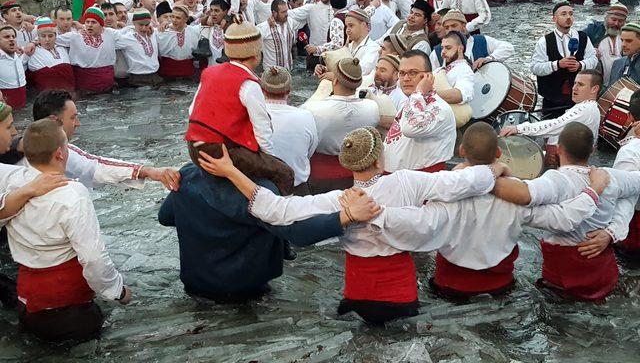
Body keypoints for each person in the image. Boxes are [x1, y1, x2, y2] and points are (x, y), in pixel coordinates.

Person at [196, 125, 515, 323]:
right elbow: (459, 183)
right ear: (379, 159)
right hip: (398, 295)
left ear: (346, 163)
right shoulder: (407, 182)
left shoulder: (339, 200)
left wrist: (231, 172)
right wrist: (494, 169)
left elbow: (276, 209)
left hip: (356, 294)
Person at [358, 122, 607, 299]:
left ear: (461, 151)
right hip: (499, 289)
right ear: (499, 154)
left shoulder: (441, 190)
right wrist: (593, 191)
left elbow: (409, 223)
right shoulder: (517, 197)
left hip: (447, 286)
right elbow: (563, 219)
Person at [157, 151, 347, 303]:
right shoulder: (259, 190)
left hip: (196, 285)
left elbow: (165, 217)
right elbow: (296, 233)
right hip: (247, 290)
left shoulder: (187, 175)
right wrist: (345, 217)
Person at [3, 119, 131, 342]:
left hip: (28, 307)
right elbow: (93, 258)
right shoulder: (73, 194)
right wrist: (118, 291)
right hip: (71, 310)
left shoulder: (11, 182)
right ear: (60, 154)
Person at [493, 122, 640, 301]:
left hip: (563, 278)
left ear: (558, 149)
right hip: (603, 272)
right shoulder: (609, 176)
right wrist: (613, 231)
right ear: (593, 150)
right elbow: (636, 184)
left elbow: (525, 194)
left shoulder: (557, 180)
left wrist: (487, 173)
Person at [185, 16, 294, 196]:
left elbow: (192, 111)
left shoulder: (209, 73)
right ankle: (283, 219)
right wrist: (270, 161)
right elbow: (262, 129)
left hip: (194, 148)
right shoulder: (249, 84)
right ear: (257, 53)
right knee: (285, 174)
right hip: (219, 151)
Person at [31, 89, 180, 190]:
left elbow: (97, 166)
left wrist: (147, 171)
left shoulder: (66, 150)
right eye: (73, 117)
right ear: (54, 120)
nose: (78, 123)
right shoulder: (15, 161)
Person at [302, 57, 379, 193]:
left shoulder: (312, 109)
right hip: (359, 172)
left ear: (335, 80)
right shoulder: (372, 107)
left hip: (322, 173)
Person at [501, 70, 602, 167]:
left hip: (562, 163)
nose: (574, 88)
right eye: (575, 83)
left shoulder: (586, 109)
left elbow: (556, 125)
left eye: (580, 84)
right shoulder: (588, 107)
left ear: (594, 89)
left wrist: (519, 128)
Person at [384, 50, 456, 173]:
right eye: (402, 73)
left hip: (417, 184)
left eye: (413, 73)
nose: (406, 78)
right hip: (394, 180)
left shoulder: (440, 109)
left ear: (429, 76)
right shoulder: (412, 101)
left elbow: (410, 128)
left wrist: (419, 92)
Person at [531, 2, 597, 118]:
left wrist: (580, 65)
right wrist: (557, 64)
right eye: (564, 14)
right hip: (552, 99)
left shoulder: (583, 37)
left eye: (571, 14)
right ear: (554, 18)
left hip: (579, 99)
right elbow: (535, 68)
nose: (568, 17)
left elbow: (593, 59)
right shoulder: (544, 41)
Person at [260, 66, 318, 195]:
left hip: (261, 190)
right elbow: (310, 150)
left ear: (262, 90)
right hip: (297, 188)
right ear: (289, 91)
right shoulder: (306, 116)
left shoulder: (251, 115)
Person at [55, 7, 117, 93]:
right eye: (87, 22)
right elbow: (52, 40)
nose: (89, 25)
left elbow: (129, 34)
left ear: (101, 24)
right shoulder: (75, 36)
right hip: (85, 87)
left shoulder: (110, 34)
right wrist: (33, 42)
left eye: (93, 22)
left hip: (107, 85)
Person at [433, 9, 514, 69]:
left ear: (464, 26)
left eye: (454, 26)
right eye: (447, 27)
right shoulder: (437, 52)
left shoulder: (481, 40)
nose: (450, 30)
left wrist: (488, 59)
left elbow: (508, 48)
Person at [612, 91, 640, 258]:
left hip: (634, 228)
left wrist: (612, 232)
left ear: (629, 117)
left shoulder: (630, 151)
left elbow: (623, 196)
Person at [431, 31, 474, 128]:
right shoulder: (441, 69)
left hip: (449, 125)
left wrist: (427, 96)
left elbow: (460, 94)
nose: (443, 51)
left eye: (448, 48)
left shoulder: (464, 70)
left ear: (460, 48)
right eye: (442, 48)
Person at [114, 8, 162, 87]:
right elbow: (110, 39)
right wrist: (128, 28)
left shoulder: (154, 33)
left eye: (147, 25)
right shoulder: (128, 37)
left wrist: (166, 23)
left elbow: (168, 29)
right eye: (140, 25)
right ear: (134, 23)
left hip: (155, 76)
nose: (144, 28)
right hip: (138, 78)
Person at [582, 3, 628, 86]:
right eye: (613, 20)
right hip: (595, 82)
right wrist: (590, 50)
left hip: (617, 84)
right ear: (606, 18)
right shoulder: (593, 30)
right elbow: (576, 43)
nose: (616, 24)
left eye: (620, 21)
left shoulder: (626, 35)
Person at [28, 16, 74, 92]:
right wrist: (32, 43)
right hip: (48, 95)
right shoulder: (32, 51)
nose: (47, 39)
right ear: (38, 38)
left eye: (50, 36)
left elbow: (76, 35)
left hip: (69, 91)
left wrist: (77, 24)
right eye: (43, 36)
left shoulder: (62, 48)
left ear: (56, 37)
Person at [157, 3, 199, 79]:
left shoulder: (194, 31)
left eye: (178, 18)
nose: (174, 20)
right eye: (172, 17)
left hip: (188, 75)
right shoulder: (163, 31)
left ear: (186, 19)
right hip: (167, 75)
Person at [257, 0, 296, 70]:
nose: (286, 14)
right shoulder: (263, 27)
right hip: (271, 73)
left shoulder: (290, 21)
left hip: (289, 70)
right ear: (274, 13)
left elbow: (303, 12)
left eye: (286, 11)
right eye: (283, 12)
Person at [0, 25, 27, 109]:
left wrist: (33, 43)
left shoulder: (22, 54)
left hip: (23, 102)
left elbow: (39, 38)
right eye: (6, 37)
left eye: (13, 36)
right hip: (4, 104)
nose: (11, 39)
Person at [610, 22, 640, 86]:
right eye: (622, 40)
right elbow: (610, 90)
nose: (623, 44)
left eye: (628, 41)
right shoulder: (617, 63)